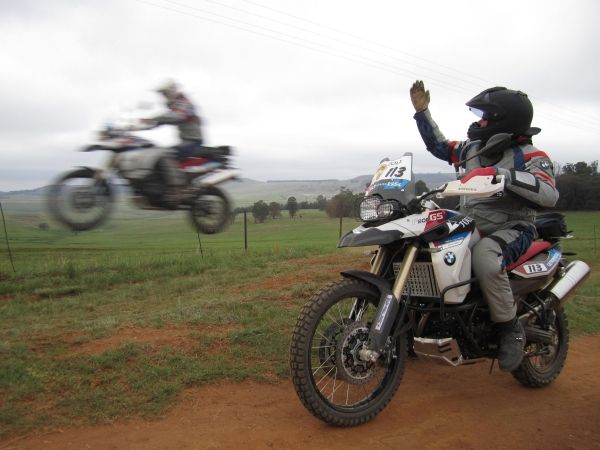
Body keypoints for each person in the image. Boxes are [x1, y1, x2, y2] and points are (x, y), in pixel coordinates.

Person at [409, 80, 559, 372]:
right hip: (472, 224)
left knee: (485, 257)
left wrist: (503, 175)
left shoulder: (531, 155)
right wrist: (422, 113)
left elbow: (549, 193)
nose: (479, 122)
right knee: (433, 249)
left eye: (485, 117)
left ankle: (510, 328)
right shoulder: (472, 149)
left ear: (505, 120)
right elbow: (440, 146)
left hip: (514, 227)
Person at [142, 80, 204, 206]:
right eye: (162, 94)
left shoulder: (185, 103)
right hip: (186, 141)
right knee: (155, 153)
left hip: (192, 142)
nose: (164, 97)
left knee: (165, 154)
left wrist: (154, 119)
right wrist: (143, 124)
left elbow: (176, 117)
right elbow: (166, 119)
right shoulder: (177, 106)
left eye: (165, 93)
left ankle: (177, 189)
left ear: (171, 91)